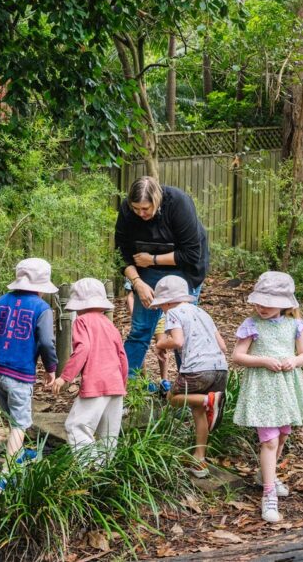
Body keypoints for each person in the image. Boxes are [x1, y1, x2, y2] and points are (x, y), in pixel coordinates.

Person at [232, 272, 303, 523]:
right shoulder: (252, 324)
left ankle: (265, 475)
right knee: (268, 441)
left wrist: (294, 360)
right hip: (262, 387)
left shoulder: (295, 325)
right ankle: (269, 494)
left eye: (267, 303)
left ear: (285, 304)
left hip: (287, 388)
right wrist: (263, 361)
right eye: (258, 302)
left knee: (282, 436)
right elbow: (238, 356)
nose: (261, 307)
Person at [115, 176, 210, 375]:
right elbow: (120, 255)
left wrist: (152, 259)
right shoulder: (127, 210)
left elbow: (192, 254)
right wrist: (137, 282)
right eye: (136, 208)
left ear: (157, 200)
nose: (141, 213)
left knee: (183, 328)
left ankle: (188, 383)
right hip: (146, 272)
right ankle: (125, 386)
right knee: (140, 329)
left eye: (145, 209)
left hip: (185, 270)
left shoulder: (178, 203)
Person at [0, 257, 58, 482]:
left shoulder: (1, 300)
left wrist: (3, 337)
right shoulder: (42, 308)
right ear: (41, 288)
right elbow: (45, 342)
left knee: (11, 415)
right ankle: (7, 474)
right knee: (20, 424)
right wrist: (51, 368)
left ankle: (19, 453)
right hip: (19, 373)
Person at [150, 275, 228, 477]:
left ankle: (208, 400)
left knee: (172, 398)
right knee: (198, 410)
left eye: (161, 306)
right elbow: (223, 346)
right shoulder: (202, 312)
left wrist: (159, 344)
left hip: (196, 369)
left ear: (167, 301)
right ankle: (199, 460)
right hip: (220, 368)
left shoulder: (173, 313)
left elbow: (177, 341)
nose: (162, 310)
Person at [51, 279, 129, 465]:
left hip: (96, 382)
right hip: (116, 384)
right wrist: (122, 384)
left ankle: (90, 468)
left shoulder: (82, 321)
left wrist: (65, 378)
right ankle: (105, 476)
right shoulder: (109, 323)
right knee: (108, 436)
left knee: (76, 426)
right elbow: (122, 356)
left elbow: (83, 349)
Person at [125, 279, 171, 395]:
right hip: (143, 315)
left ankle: (164, 381)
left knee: (163, 345)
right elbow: (130, 296)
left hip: (161, 316)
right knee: (140, 347)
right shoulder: (135, 275)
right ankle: (145, 380)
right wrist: (133, 312)